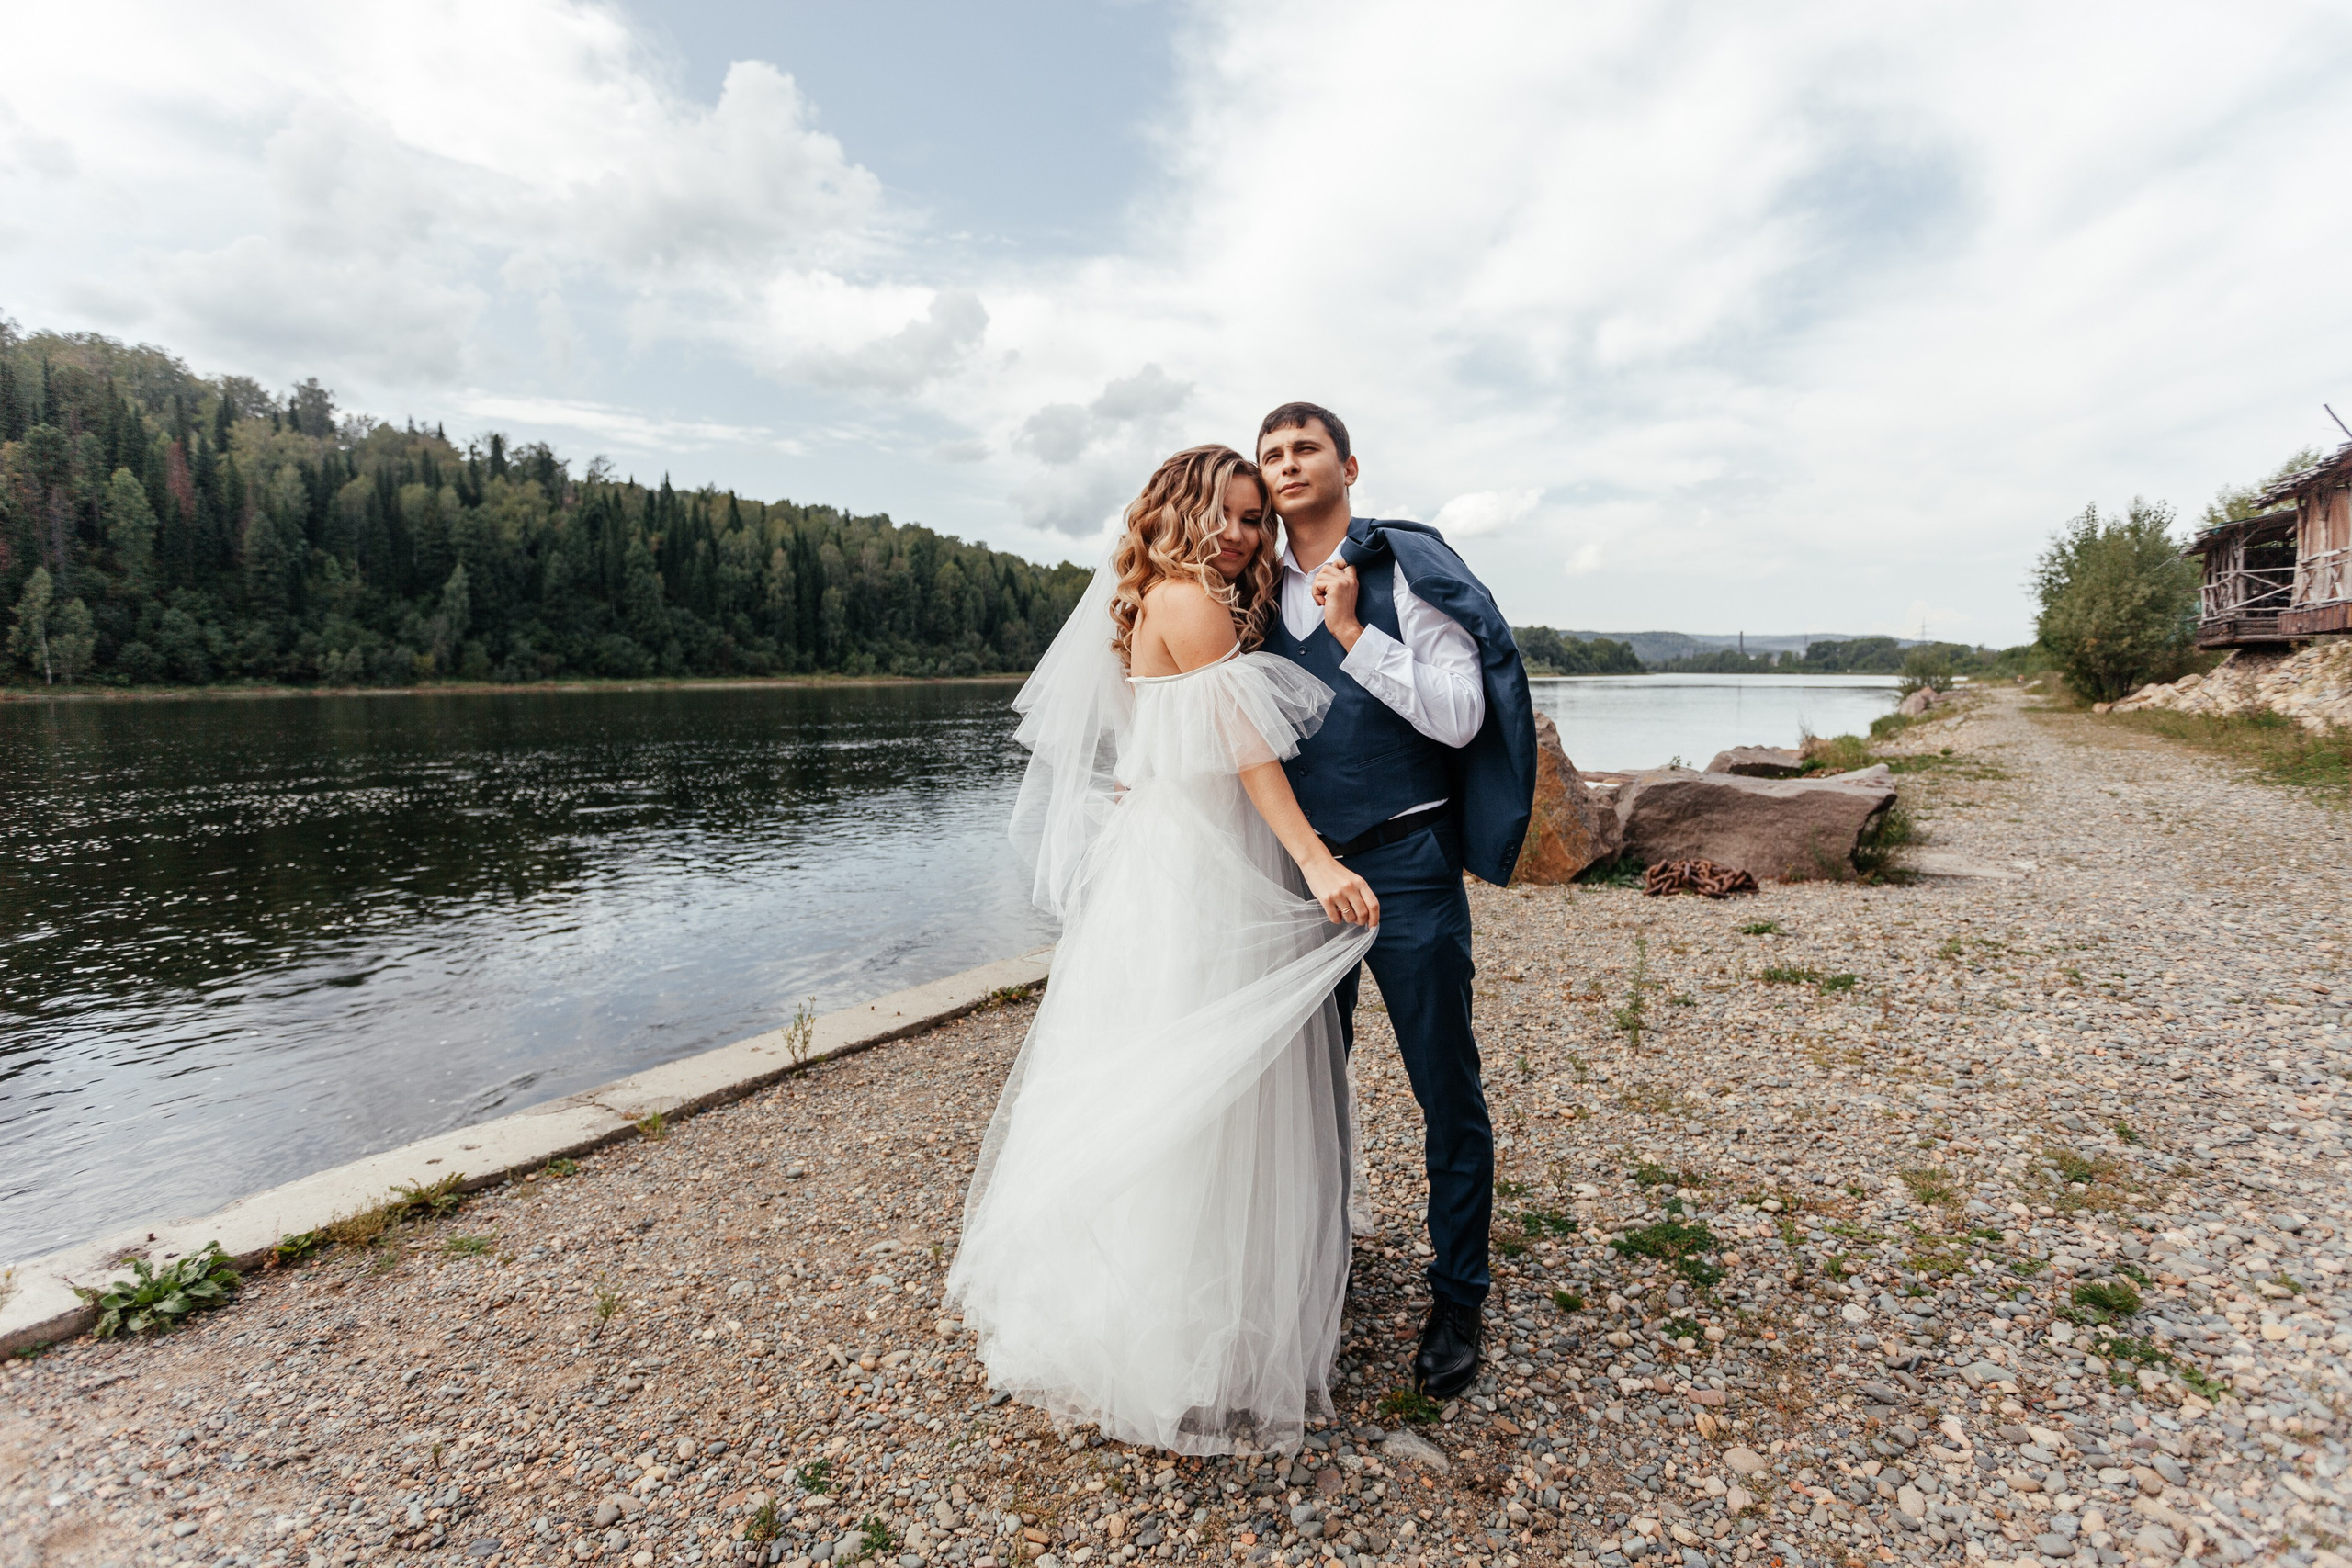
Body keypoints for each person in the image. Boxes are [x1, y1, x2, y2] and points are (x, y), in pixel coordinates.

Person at [946, 445, 1382, 1455]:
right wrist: (1316, 861)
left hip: (1175, 851)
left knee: (1180, 1064)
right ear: (1176, 512)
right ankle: (1188, 1341)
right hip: (1202, 867)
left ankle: (1198, 1311)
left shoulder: (1172, 598)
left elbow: (1165, 746)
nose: (1239, 534)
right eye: (1223, 513)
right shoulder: (1189, 601)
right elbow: (1250, 756)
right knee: (1203, 1080)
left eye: (1252, 518)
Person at [1255, 401, 1539, 1401]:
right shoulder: (1251, 588)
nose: (1288, 464)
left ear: (1348, 465)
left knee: (1444, 1087)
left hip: (1407, 864)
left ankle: (1458, 1293)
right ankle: (1314, 1266)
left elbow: (1461, 717)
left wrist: (1352, 633)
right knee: (1298, 1089)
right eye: (1273, 453)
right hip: (1297, 876)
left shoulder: (1402, 573)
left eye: (1306, 448)